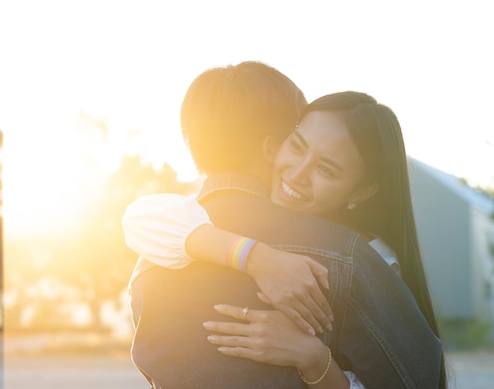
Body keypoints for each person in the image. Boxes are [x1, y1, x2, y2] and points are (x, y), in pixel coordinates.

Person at [126, 62, 445, 389]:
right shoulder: (348, 257)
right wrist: (256, 257)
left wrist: (312, 357)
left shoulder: (155, 254)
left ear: (363, 190)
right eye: (296, 145)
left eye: (327, 169)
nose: (297, 174)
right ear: (271, 145)